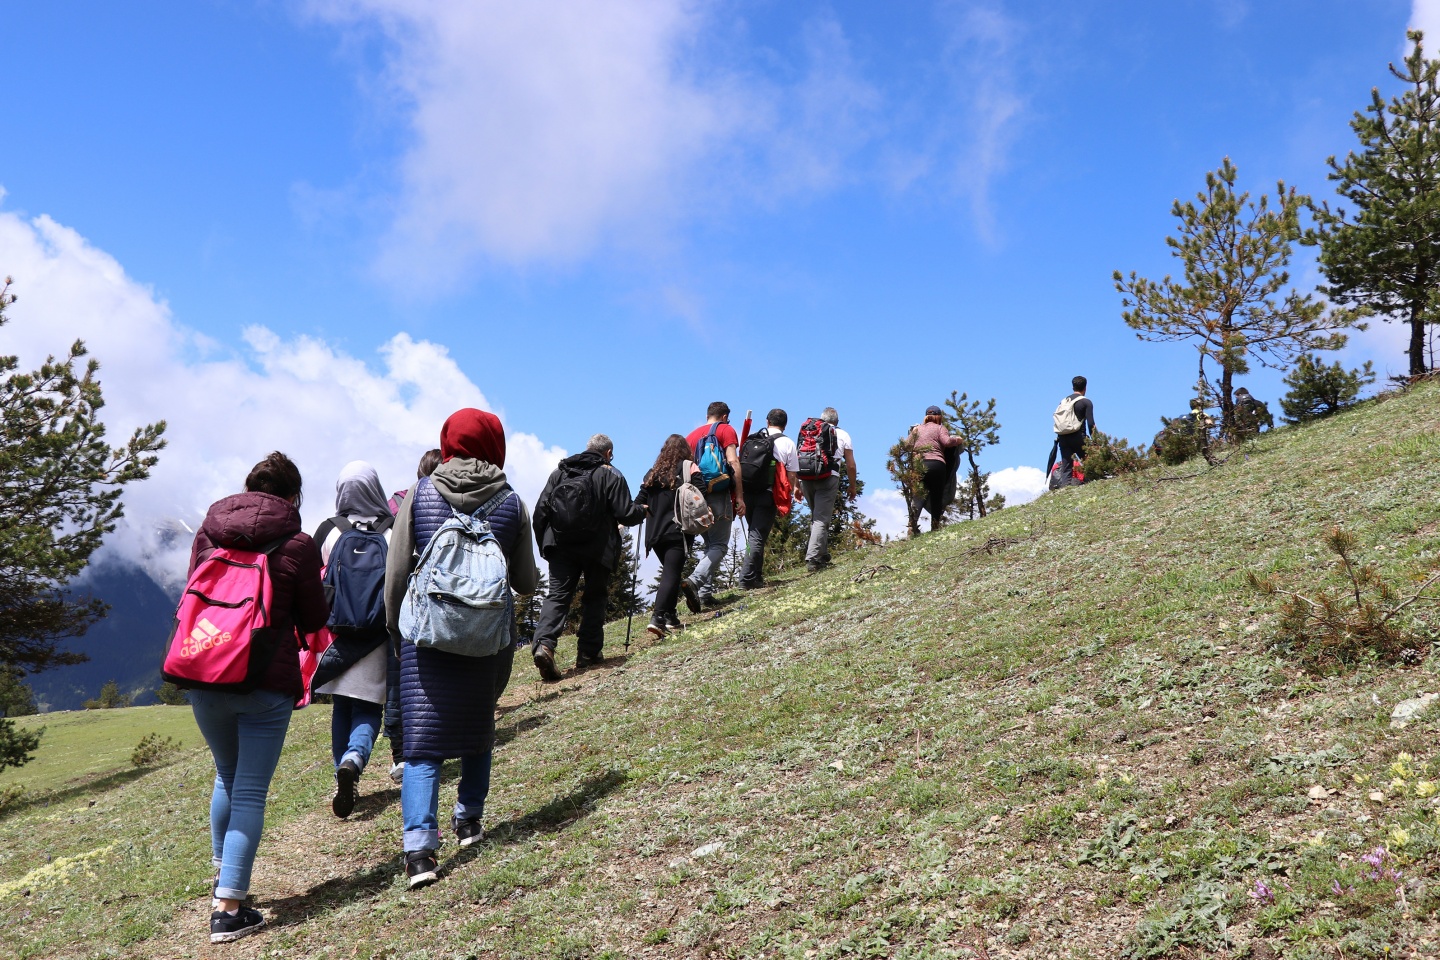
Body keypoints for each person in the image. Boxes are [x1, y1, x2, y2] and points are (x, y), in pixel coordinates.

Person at [384, 409, 540, 889]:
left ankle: (419, 853)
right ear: (496, 446)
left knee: (422, 743)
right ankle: (469, 821)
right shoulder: (511, 501)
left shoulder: (420, 493)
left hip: (426, 636)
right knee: (477, 726)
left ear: (448, 441)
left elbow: (396, 572)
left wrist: (396, 629)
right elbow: (526, 580)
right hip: (487, 636)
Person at [187, 452, 328, 943]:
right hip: (264, 680)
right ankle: (228, 910)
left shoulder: (209, 532)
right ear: (293, 497)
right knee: (249, 790)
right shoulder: (299, 544)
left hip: (204, 670)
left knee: (226, 775)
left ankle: (222, 879)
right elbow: (315, 619)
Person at [311, 461, 394, 819]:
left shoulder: (330, 530)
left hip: (338, 636)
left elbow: (313, 581)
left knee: (342, 707)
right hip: (377, 635)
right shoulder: (391, 530)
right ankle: (354, 758)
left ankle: (342, 775)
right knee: (368, 708)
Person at [529, 433, 647, 680]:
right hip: (598, 547)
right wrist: (642, 511)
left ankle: (544, 646)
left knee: (557, 596)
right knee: (595, 597)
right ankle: (588, 653)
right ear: (608, 453)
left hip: (561, 546)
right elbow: (626, 514)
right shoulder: (611, 474)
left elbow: (540, 513)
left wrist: (545, 546)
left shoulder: (560, 473)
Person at [382, 449, 442, 786]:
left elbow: (392, 566)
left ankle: (401, 753)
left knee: (399, 682)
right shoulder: (452, 505)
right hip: (440, 606)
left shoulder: (397, 505)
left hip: (404, 606)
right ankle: (433, 742)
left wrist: (391, 618)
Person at [635, 434, 703, 636]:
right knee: (671, 573)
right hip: (677, 530)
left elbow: (638, 502)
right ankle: (658, 618)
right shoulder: (689, 467)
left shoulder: (651, 474)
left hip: (655, 534)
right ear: (685, 450)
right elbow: (701, 493)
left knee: (671, 571)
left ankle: (671, 615)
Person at [680, 402, 746, 610]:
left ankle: (705, 594)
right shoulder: (725, 429)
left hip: (696, 498)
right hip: (718, 493)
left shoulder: (690, 437)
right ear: (724, 416)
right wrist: (740, 496)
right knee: (719, 545)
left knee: (710, 545)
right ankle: (695, 580)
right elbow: (733, 462)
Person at [738, 408, 800, 588]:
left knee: (755, 534)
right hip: (767, 494)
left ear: (767, 421)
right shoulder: (787, 443)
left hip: (747, 492)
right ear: (785, 425)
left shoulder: (753, 439)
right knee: (757, 536)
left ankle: (756, 576)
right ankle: (746, 579)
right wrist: (792, 491)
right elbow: (791, 475)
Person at [799, 407, 856, 573]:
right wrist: (852, 485)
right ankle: (813, 558)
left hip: (806, 476)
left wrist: (795, 484)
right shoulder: (843, 434)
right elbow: (850, 465)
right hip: (828, 477)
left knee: (817, 516)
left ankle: (822, 554)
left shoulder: (810, 432)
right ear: (837, 421)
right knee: (821, 519)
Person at [908, 405, 963, 533]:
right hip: (937, 465)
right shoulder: (940, 428)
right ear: (939, 417)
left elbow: (907, 445)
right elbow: (947, 442)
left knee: (917, 496)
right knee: (936, 496)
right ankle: (935, 527)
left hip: (919, 465)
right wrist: (957, 440)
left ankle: (912, 527)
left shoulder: (916, 430)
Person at [1049, 376, 1095, 486]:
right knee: (1090, 464)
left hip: (1063, 437)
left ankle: (1065, 489)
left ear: (1072, 387)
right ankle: (1091, 485)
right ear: (1085, 387)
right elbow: (1091, 424)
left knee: (1066, 468)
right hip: (1079, 437)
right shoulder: (1086, 402)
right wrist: (1095, 441)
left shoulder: (1063, 401)